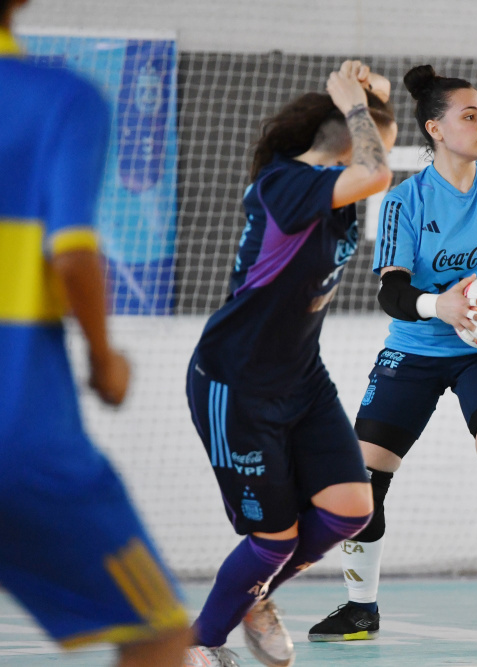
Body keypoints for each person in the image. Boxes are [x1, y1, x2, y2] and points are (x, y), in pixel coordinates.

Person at [308, 63, 477, 649]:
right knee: (362, 483)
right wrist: (438, 306)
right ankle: (359, 610)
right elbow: (391, 293)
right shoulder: (404, 201)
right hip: (416, 350)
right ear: (434, 128)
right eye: (469, 115)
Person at [182, 60, 397, 667]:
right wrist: (355, 103)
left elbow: (372, 155)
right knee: (273, 537)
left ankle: (252, 596)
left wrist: (370, 95)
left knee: (353, 508)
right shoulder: (286, 186)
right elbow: (376, 166)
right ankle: (199, 645)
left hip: (301, 378)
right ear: (339, 149)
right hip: (237, 383)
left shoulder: (331, 186)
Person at [0, 1, 192, 665]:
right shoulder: (60, 99)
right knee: (160, 626)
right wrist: (105, 360)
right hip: (21, 438)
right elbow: (74, 252)